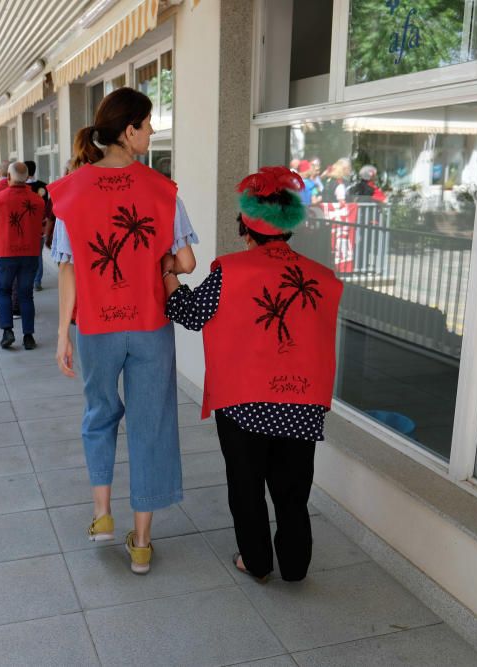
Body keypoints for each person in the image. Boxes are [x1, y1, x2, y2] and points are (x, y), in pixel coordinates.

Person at [162, 166, 343, 583]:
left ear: (246, 225)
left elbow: (188, 313)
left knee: (247, 489)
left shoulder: (230, 271)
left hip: (243, 403)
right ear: (289, 225)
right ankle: (295, 567)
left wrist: (169, 274)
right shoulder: (323, 277)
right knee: (293, 492)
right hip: (302, 402)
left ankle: (257, 561)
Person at [49, 87, 198, 575]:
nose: (152, 132)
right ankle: (142, 542)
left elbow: (67, 269)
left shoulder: (70, 189)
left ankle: (102, 514)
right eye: (149, 123)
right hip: (151, 325)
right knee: (151, 425)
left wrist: (61, 333)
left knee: (99, 414)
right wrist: (164, 261)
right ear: (129, 130)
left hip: (96, 324)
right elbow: (188, 262)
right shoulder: (161, 188)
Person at [0, 162, 45, 350]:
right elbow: (43, 224)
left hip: (5, 253)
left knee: (3, 292)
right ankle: (28, 336)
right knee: (26, 294)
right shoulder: (38, 200)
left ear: (9, 177)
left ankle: (7, 332)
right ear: (27, 177)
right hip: (30, 252)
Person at [24, 159, 53, 290]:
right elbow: (47, 208)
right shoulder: (44, 186)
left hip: (24, 227)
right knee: (38, 254)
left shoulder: (21, 187)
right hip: (40, 226)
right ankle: (37, 281)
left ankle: (27, 280)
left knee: (25, 255)